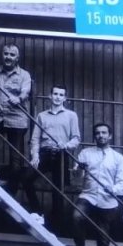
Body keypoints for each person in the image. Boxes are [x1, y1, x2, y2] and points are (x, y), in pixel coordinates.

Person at [72, 123, 123, 246]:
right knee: (77, 216)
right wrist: (79, 171)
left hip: (107, 201)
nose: (101, 136)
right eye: (97, 133)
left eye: (104, 133)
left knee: (103, 237)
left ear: (109, 136)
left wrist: (113, 190)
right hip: (88, 196)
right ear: (94, 136)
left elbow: (121, 181)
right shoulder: (85, 153)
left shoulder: (118, 158)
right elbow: (76, 179)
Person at [23, 85, 81, 222]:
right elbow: (35, 139)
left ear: (65, 98)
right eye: (55, 94)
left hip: (61, 155)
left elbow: (76, 138)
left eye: (61, 95)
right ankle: (37, 213)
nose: (57, 97)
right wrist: (35, 155)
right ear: (50, 96)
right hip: (44, 153)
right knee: (26, 178)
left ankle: (56, 223)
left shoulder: (71, 116)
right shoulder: (42, 116)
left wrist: (66, 146)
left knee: (58, 190)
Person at [0, 44, 33, 189]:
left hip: (17, 119)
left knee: (15, 163)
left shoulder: (24, 75)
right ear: (2, 55)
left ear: (17, 58)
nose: (8, 57)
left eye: (12, 55)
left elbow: (25, 91)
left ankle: (11, 192)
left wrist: (19, 98)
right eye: (6, 54)